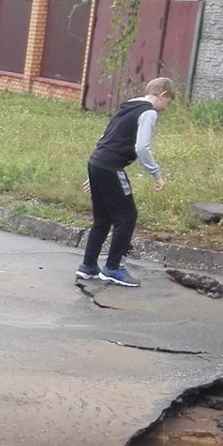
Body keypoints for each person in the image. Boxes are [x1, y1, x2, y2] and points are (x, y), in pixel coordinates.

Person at [77, 76, 174, 288]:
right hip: (111, 166)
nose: (166, 108)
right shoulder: (148, 112)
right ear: (163, 95)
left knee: (103, 218)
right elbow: (142, 147)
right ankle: (113, 268)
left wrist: (94, 174)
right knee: (127, 216)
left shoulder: (127, 106)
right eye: (168, 102)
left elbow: (106, 137)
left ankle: (88, 266)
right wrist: (156, 174)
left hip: (97, 162)